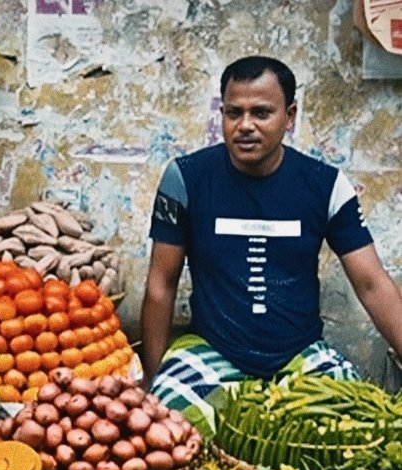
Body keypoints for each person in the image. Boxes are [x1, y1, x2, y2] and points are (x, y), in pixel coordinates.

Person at [140, 55, 402, 436]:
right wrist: (152, 377)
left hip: (300, 355)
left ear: (290, 115)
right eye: (234, 113)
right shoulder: (186, 178)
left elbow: (372, 283)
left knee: (356, 432)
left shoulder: (326, 185)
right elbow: (160, 285)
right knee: (166, 433)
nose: (245, 126)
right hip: (211, 355)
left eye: (261, 113)